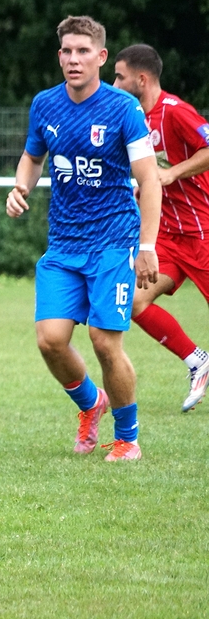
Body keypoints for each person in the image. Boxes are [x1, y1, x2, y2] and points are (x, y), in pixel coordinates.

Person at [6, 16, 162, 461]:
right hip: (63, 243)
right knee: (50, 340)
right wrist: (20, 187)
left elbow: (149, 180)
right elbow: (32, 157)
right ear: (59, 56)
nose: (73, 59)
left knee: (104, 341)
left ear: (101, 57)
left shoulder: (123, 109)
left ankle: (127, 438)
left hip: (114, 241)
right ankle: (92, 403)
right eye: (67, 51)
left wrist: (146, 246)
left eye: (83, 51)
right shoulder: (45, 104)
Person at [112, 44, 209, 412]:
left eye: (119, 77)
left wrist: (172, 173)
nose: (114, 84)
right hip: (167, 237)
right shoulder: (135, 119)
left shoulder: (175, 111)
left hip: (202, 232)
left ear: (141, 79)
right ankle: (198, 361)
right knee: (134, 302)